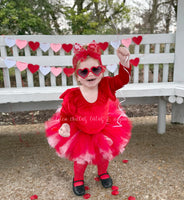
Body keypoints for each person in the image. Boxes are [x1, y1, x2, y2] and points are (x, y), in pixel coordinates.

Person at [45, 40, 132, 196]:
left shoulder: (106, 85)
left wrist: (124, 62)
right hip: (82, 131)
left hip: (103, 128)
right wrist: (65, 125)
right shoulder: (73, 96)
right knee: (81, 159)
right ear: (78, 76)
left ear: (102, 71)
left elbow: (123, 80)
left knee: (104, 153)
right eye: (84, 72)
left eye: (95, 69)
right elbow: (66, 114)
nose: (90, 74)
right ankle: (78, 178)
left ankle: (103, 172)